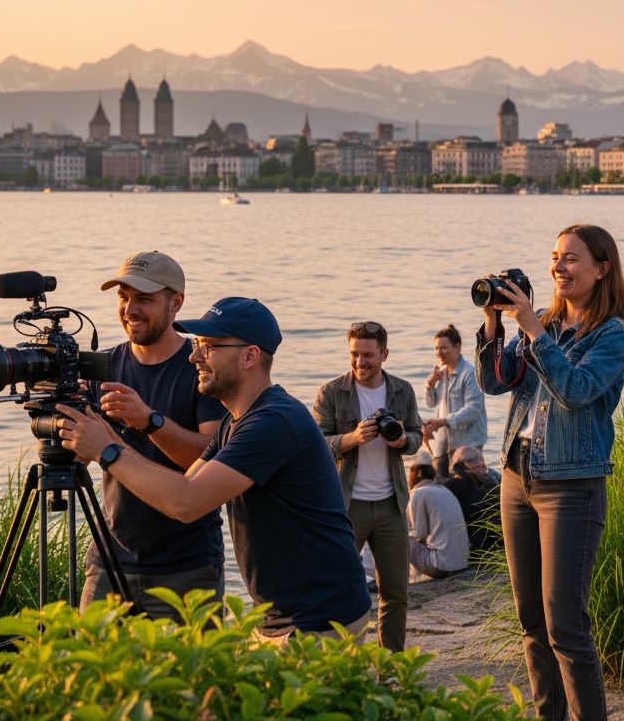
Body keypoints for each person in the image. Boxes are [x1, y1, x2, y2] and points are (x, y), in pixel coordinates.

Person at [56, 297, 371, 643]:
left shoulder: (272, 422)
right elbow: (187, 484)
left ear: (249, 356)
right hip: (282, 615)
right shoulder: (236, 421)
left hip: (320, 619)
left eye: (208, 346)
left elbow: (187, 504)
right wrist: (130, 426)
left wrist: (107, 449)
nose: (194, 356)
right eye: (197, 345)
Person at [476, 223, 624, 721]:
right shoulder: (542, 321)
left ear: (601, 268)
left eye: (570, 259)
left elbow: (575, 390)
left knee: (565, 623)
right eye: (555, 257)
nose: (558, 267)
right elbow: (493, 384)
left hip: (571, 485)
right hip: (517, 478)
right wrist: (493, 324)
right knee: (531, 622)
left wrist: (533, 329)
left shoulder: (612, 335)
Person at [83, 251, 227, 620]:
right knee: (91, 673)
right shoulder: (103, 365)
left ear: (176, 302)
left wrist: (149, 421)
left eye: (144, 299)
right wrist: (64, 416)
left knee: (187, 678)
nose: (130, 309)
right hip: (109, 561)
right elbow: (80, 457)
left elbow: (210, 458)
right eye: (123, 297)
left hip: (187, 566)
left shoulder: (203, 368)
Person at [314, 321, 422, 652]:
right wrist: (353, 438)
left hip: (391, 505)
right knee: (337, 589)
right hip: (347, 506)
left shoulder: (402, 391)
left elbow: (417, 436)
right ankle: (341, 660)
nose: (360, 362)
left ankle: (391, 664)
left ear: (384, 354)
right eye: (355, 354)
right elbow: (316, 444)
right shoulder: (332, 393)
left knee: (396, 593)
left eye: (368, 355)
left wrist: (403, 439)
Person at [422, 324, 488, 478]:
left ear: (457, 347)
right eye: (437, 348)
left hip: (468, 443)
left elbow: (473, 409)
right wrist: (430, 385)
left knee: (468, 490)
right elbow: (431, 403)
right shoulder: (441, 372)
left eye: (444, 348)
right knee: (442, 484)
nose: (439, 352)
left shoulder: (470, 373)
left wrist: (442, 421)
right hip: (445, 443)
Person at [407, 459, 470, 579]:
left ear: (415, 474)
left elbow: (420, 533)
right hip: (462, 564)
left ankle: (409, 578)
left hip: (441, 567)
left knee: (400, 538)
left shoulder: (418, 493)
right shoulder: (444, 490)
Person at [441, 445, 502, 556]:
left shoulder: (449, 488)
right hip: (498, 542)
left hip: (473, 549)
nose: (484, 466)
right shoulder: (494, 479)